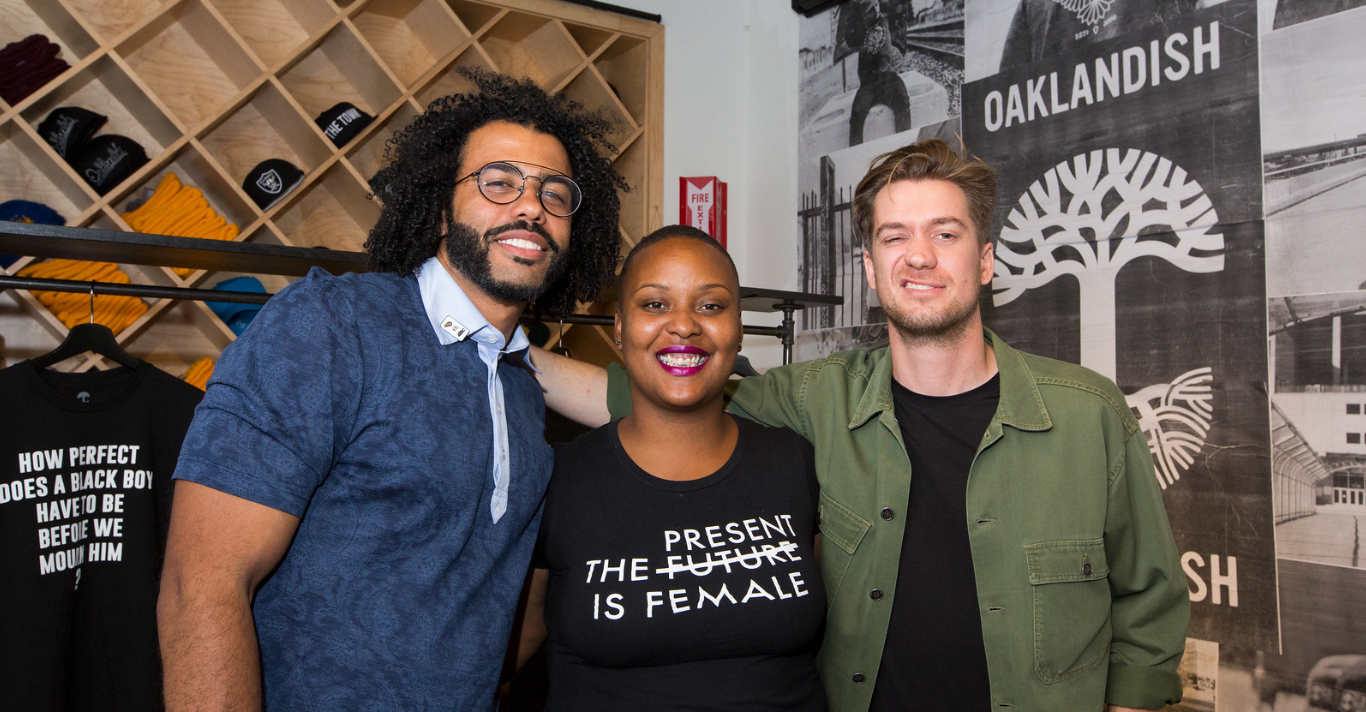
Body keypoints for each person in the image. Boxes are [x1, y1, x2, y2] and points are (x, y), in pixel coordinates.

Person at [534, 139, 1190, 711]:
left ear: (986, 261)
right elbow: (663, 392)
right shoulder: (812, 403)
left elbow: (1150, 604)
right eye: (895, 237)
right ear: (872, 269)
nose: (920, 257)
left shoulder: (1088, 414)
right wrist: (494, 344)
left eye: (946, 233)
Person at [157, 68, 625, 711]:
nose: (529, 207)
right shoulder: (329, 324)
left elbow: (652, 405)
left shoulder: (518, 384)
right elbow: (201, 585)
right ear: (438, 208)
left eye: (555, 193)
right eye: (498, 182)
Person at [517, 226, 827, 711]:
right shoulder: (556, 480)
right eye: (655, 304)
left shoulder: (796, 463)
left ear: (738, 326)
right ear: (619, 326)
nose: (684, 325)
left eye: (710, 305)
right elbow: (497, 655)